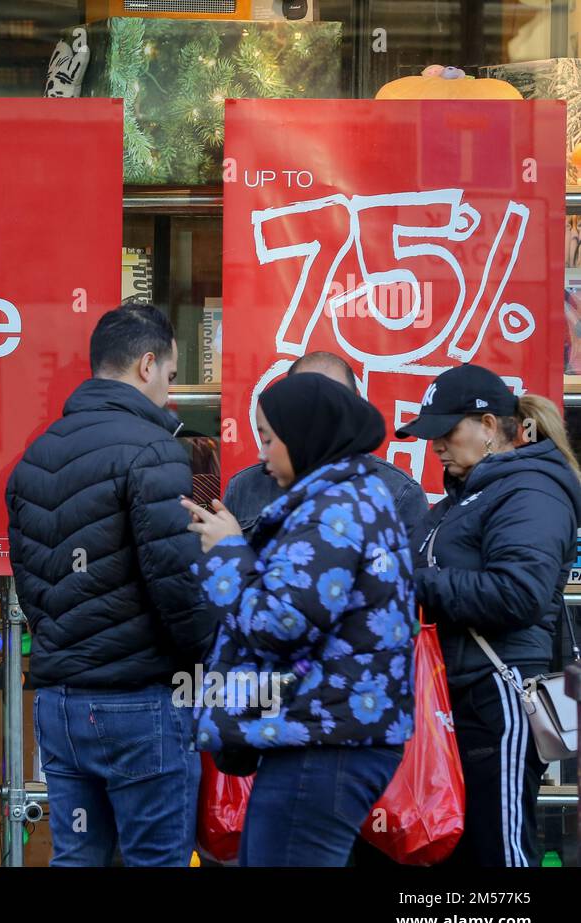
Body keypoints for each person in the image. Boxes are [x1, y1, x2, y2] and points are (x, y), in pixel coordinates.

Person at [5, 302, 215, 867]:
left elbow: (31, 587)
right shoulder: (154, 451)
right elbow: (178, 587)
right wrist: (210, 650)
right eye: (171, 376)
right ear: (148, 364)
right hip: (139, 700)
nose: (171, 393)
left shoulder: (36, 455)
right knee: (157, 862)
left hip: (59, 703)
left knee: (75, 858)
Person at [183, 373, 414, 867]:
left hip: (325, 739)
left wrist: (227, 551)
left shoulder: (334, 511)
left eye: (268, 438)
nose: (262, 455)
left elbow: (279, 624)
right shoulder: (349, 498)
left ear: (306, 436)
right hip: (327, 731)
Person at [398, 365, 581, 867]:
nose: (433, 443)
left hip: (496, 694)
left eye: (445, 429)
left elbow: (519, 593)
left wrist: (410, 582)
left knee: (498, 854)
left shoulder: (531, 489)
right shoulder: (470, 495)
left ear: (487, 424)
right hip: (457, 699)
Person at [224, 351, 429, 537]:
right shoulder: (245, 487)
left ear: (354, 405)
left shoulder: (399, 494)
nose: (319, 416)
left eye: (332, 403)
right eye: (307, 404)